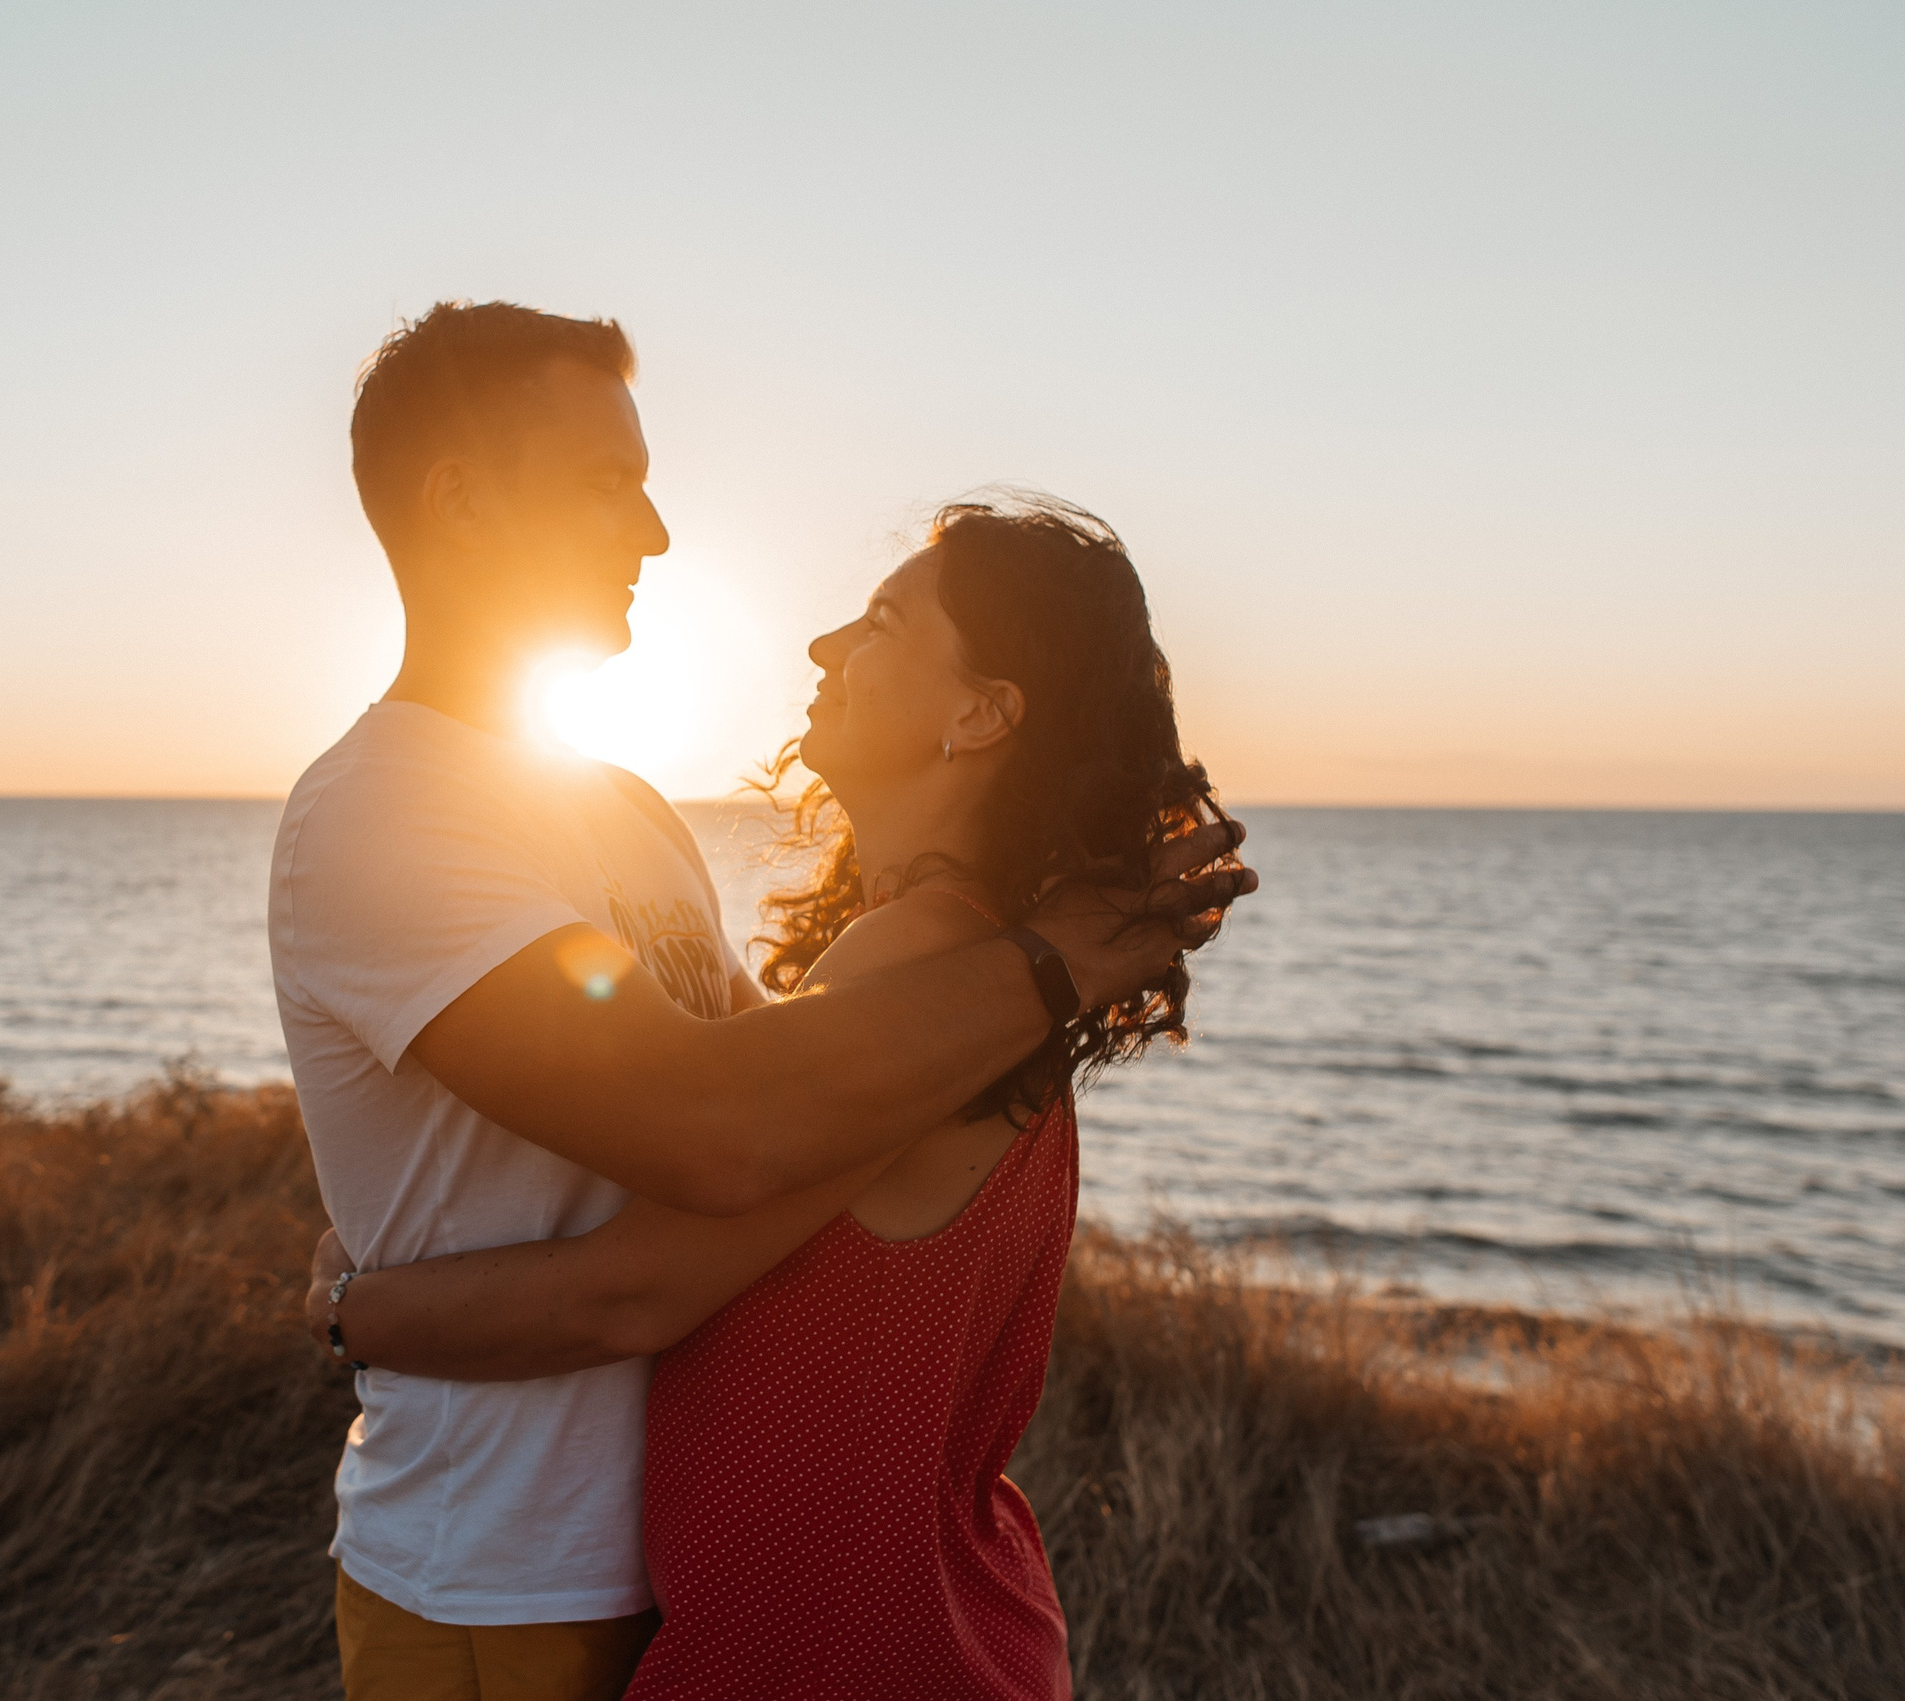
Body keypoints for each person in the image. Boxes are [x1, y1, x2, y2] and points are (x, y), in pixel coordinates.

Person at [270, 300, 1250, 1701]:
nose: (656, 529)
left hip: (702, 1596)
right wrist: (1056, 957)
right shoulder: (380, 814)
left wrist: (357, 1308)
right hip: (507, 1569)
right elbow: (727, 1124)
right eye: (608, 479)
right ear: (461, 499)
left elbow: (740, 1128)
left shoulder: (626, 816)